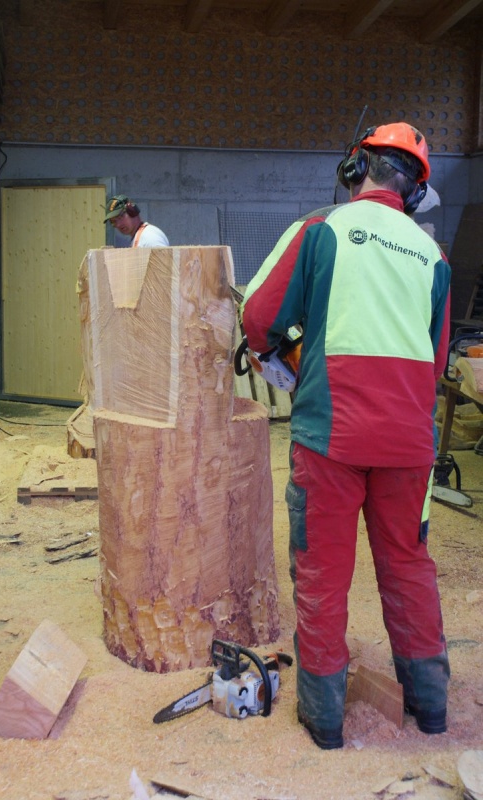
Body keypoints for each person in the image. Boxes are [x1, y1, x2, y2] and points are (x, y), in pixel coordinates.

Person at [242, 122, 451, 750]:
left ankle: (325, 721)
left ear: (355, 167)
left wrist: (286, 354)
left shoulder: (320, 229)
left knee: (323, 573)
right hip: (409, 444)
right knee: (408, 566)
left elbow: (259, 317)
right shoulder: (434, 258)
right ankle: (432, 709)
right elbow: (436, 363)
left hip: (331, 437)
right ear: (415, 192)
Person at [104, 194, 169, 247]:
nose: (118, 224)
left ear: (132, 211)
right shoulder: (141, 237)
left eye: (120, 217)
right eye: (113, 221)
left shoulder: (149, 237)